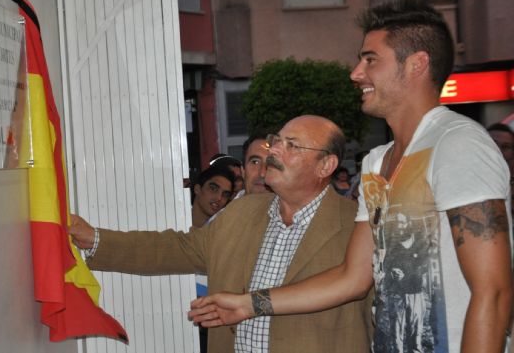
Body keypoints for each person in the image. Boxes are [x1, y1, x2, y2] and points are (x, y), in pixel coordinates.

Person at [189, 0, 513, 353]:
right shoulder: (376, 162)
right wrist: (249, 304)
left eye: (371, 60)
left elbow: (494, 291)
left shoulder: (458, 143)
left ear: (417, 64)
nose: (356, 73)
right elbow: (352, 278)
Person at [69, 115, 372, 353]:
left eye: (292, 145)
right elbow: (176, 248)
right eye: (276, 141)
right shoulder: (241, 213)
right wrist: (95, 239)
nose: (274, 151)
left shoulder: (358, 226)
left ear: (326, 165)